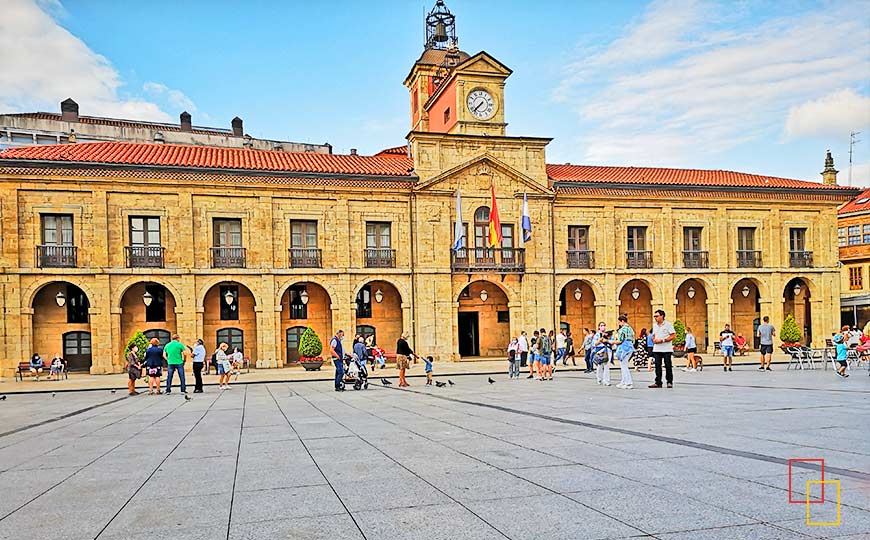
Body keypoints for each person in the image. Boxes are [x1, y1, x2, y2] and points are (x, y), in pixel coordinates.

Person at [650, 309, 676, 388]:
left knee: (668, 365)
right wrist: (653, 339)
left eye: (657, 316)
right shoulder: (655, 325)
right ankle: (658, 382)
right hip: (657, 349)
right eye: (654, 316)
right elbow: (653, 335)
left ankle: (669, 381)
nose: (655, 318)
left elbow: (673, 335)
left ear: (662, 316)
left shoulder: (668, 325)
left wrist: (663, 340)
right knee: (657, 366)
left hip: (666, 349)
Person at [614, 314, 635, 389]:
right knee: (624, 365)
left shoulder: (622, 329)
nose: (619, 324)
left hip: (624, 348)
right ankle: (623, 381)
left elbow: (620, 340)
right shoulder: (630, 328)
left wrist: (612, 342)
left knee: (624, 366)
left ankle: (628, 383)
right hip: (630, 348)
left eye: (619, 322)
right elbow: (633, 339)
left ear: (622, 321)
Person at [592, 322, 612, 386]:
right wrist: (600, 340)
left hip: (607, 350)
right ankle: (599, 378)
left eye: (604, 325)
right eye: (601, 325)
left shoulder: (608, 334)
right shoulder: (597, 335)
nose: (603, 327)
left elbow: (612, 342)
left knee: (607, 366)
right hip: (600, 351)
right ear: (599, 327)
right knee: (600, 366)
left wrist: (607, 339)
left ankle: (606, 380)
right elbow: (594, 344)